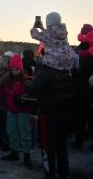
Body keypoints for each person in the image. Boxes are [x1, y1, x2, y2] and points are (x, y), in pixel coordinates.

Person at [27, 12, 75, 179]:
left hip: (49, 112)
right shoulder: (64, 35)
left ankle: (49, 174)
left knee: (48, 146)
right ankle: (64, 174)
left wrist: (36, 25)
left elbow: (32, 89)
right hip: (64, 111)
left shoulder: (47, 70)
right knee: (61, 145)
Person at [0, 55, 33, 169]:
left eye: (16, 69)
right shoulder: (7, 79)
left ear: (21, 69)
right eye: (12, 69)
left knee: (24, 133)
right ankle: (14, 153)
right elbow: (2, 92)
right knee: (11, 131)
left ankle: (27, 157)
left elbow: (32, 95)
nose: (14, 72)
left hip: (24, 110)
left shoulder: (27, 80)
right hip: (11, 109)